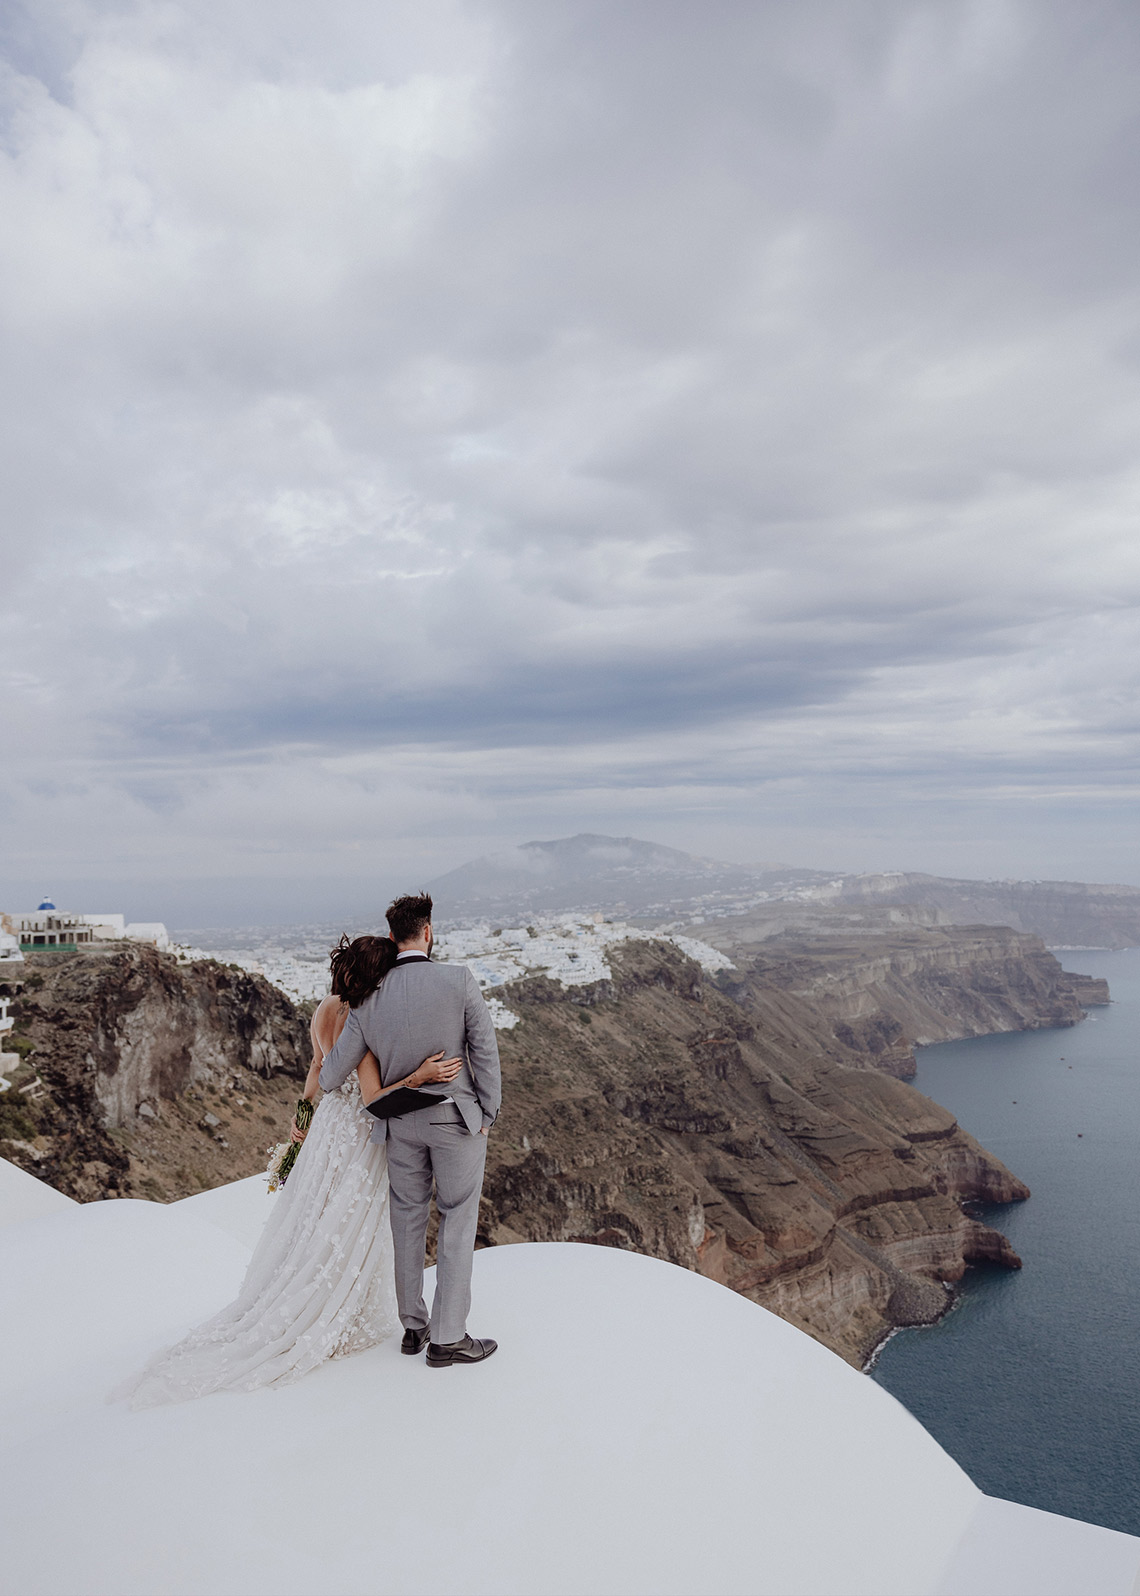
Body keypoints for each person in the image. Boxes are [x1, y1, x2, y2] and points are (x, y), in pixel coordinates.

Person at [116, 935, 460, 1407]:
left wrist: (301, 1123)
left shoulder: (324, 1008)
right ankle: (335, 1306)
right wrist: (419, 1077)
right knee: (350, 1220)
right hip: (359, 1133)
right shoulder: (365, 1022)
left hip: (326, 1128)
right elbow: (375, 1099)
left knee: (318, 1214)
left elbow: (317, 1070)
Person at [319, 892, 501, 1368]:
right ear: (427, 931)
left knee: (407, 1219)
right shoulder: (457, 980)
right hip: (456, 1120)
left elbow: (330, 1076)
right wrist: (488, 1113)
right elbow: (484, 1052)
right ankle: (448, 1338)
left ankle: (413, 1327)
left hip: (398, 1126)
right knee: (457, 1219)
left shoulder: (367, 1001)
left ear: (394, 936)